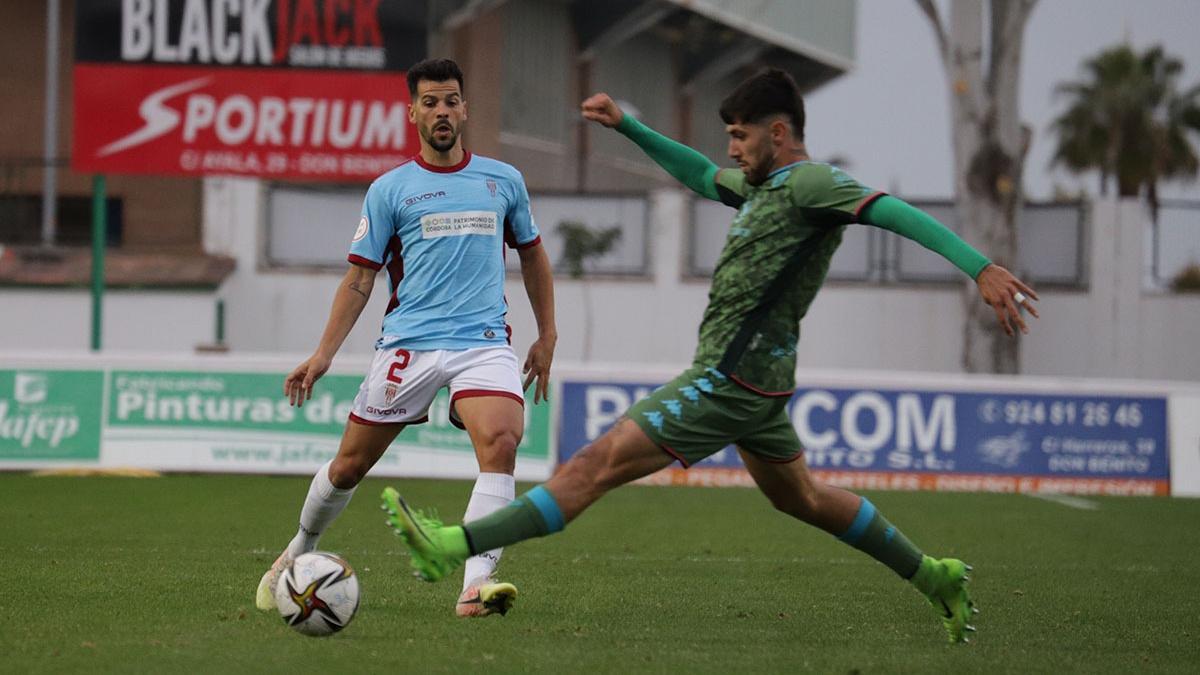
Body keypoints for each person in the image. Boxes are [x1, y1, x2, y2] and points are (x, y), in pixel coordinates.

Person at [380, 68, 1039, 642]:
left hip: (726, 381)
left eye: (740, 136)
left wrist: (978, 267)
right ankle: (934, 575)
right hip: (759, 389)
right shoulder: (761, 187)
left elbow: (893, 211)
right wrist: (629, 128)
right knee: (804, 497)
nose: (730, 148)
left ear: (778, 133)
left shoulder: (813, 184)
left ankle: (453, 546)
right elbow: (699, 174)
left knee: (592, 465)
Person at [255, 58, 557, 619]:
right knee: (348, 466)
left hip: (483, 342)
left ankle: (474, 587)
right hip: (408, 346)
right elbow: (360, 278)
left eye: (451, 101)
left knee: (502, 444)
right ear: (413, 112)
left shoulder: (503, 181)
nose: (442, 112)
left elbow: (534, 255)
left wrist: (548, 333)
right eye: (430, 102)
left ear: (465, 109)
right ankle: (299, 548)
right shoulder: (390, 189)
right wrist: (323, 355)